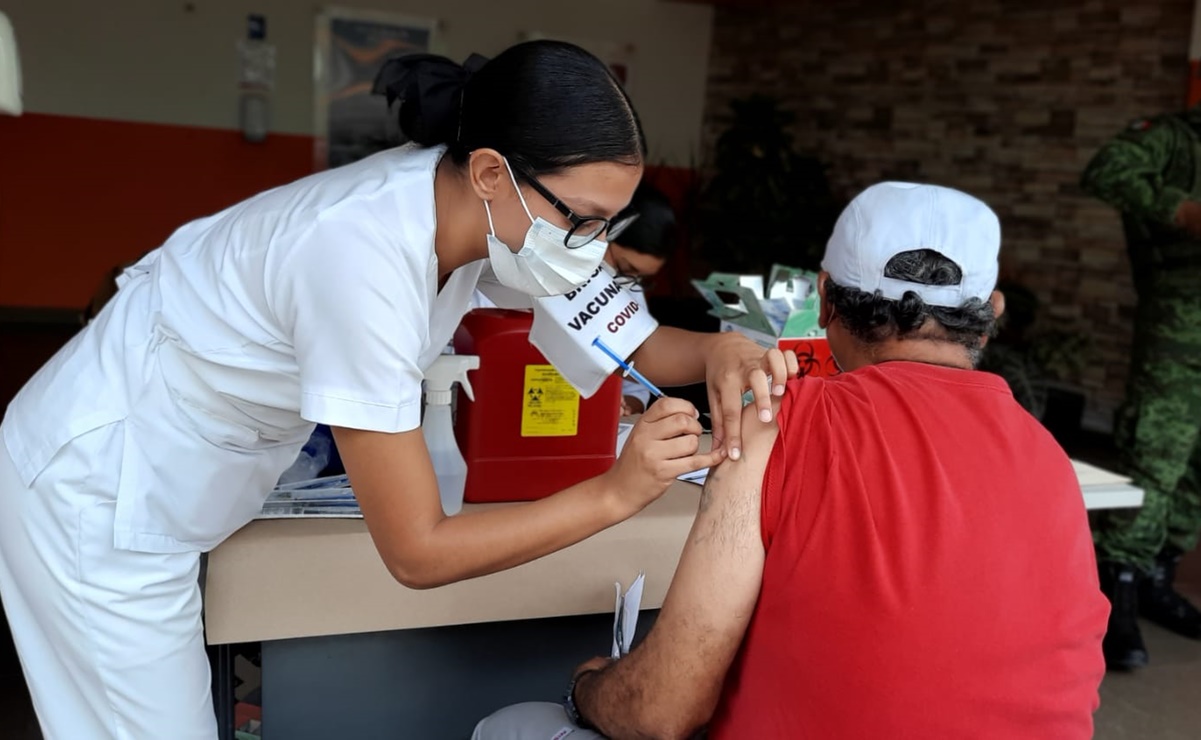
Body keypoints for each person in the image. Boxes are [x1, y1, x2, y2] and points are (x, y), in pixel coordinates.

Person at [0, 41, 796, 739]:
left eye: (608, 228)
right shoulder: (360, 253)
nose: (591, 250)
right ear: (492, 172)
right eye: (583, 221)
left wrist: (724, 348)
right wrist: (614, 495)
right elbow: (417, 551)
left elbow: (635, 339)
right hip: (99, 488)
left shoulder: (495, 220)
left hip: (176, 474)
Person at [474, 182, 1109, 739]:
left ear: (826, 301)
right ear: (991, 313)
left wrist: (590, 686)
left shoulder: (783, 421)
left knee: (510, 727)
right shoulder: (1051, 458)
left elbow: (660, 713)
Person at [1080, 107, 1201, 670]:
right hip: (1182, 322)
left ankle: (1158, 576)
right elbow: (1106, 170)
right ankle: (1117, 586)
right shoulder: (1175, 138)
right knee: (1157, 449)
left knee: (1198, 462)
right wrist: (1182, 210)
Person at [603, 181, 677, 416]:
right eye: (625, 267)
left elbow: (637, 379)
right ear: (601, 231)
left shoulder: (629, 287)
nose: (629, 281)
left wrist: (627, 403)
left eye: (640, 277)